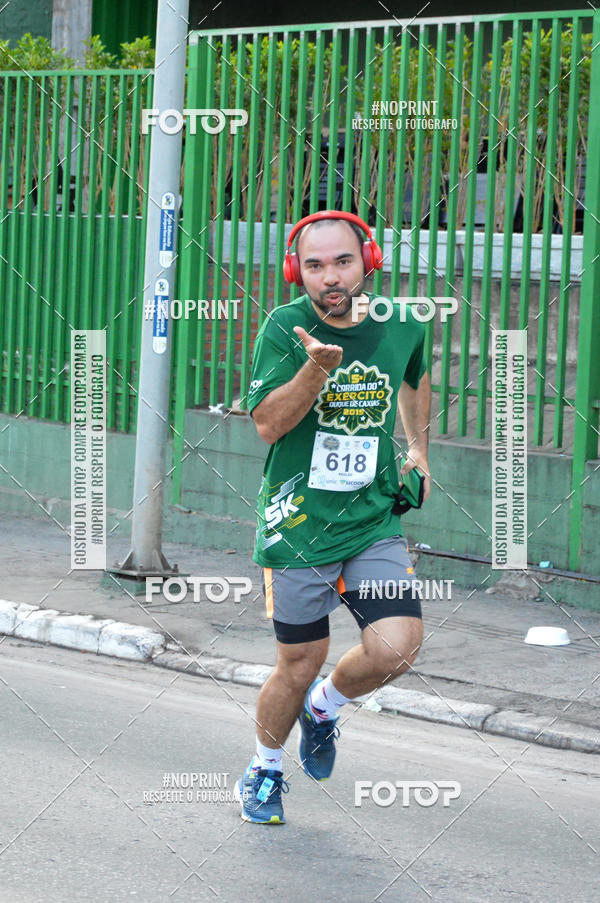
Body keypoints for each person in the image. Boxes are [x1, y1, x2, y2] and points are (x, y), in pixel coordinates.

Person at [235, 210, 431, 824]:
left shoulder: (400, 322)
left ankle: (325, 708)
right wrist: (316, 369)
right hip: (298, 524)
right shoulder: (284, 328)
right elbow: (268, 423)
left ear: (366, 260)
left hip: (372, 517)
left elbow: (414, 378)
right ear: (298, 271)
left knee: (396, 650)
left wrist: (419, 448)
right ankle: (265, 767)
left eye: (342, 261)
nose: (330, 277)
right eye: (314, 266)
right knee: (299, 662)